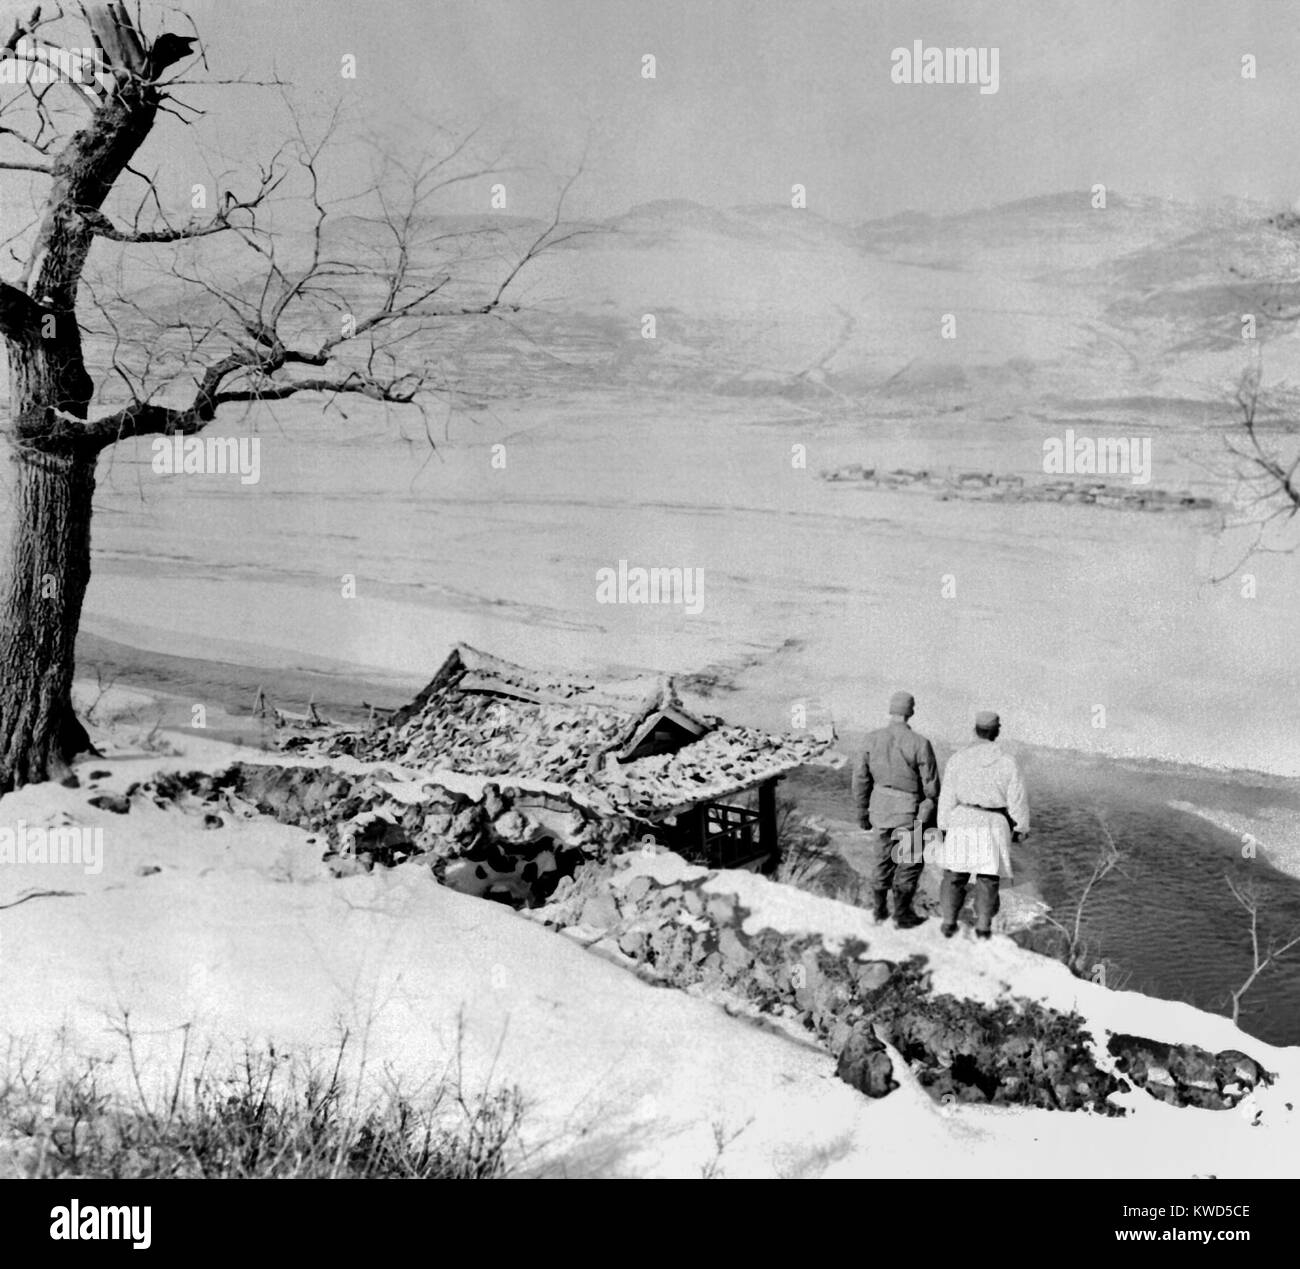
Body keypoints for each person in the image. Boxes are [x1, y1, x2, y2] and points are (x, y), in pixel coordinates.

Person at [933, 710, 1030, 939]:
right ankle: (984, 927)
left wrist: (943, 825)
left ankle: (948, 923)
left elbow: (947, 796)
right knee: (988, 877)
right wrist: (1021, 827)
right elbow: (1017, 799)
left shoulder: (958, 759)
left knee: (954, 874)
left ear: (975, 730)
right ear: (996, 732)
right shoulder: (1008, 762)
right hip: (993, 821)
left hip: (962, 818)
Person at [852, 690, 939, 928]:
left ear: (891, 710)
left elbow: (860, 779)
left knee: (881, 862)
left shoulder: (870, 739)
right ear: (911, 711)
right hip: (910, 814)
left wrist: (862, 812)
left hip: (879, 810)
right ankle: (902, 915)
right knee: (909, 864)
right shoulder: (920, 743)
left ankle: (878, 912)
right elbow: (931, 788)